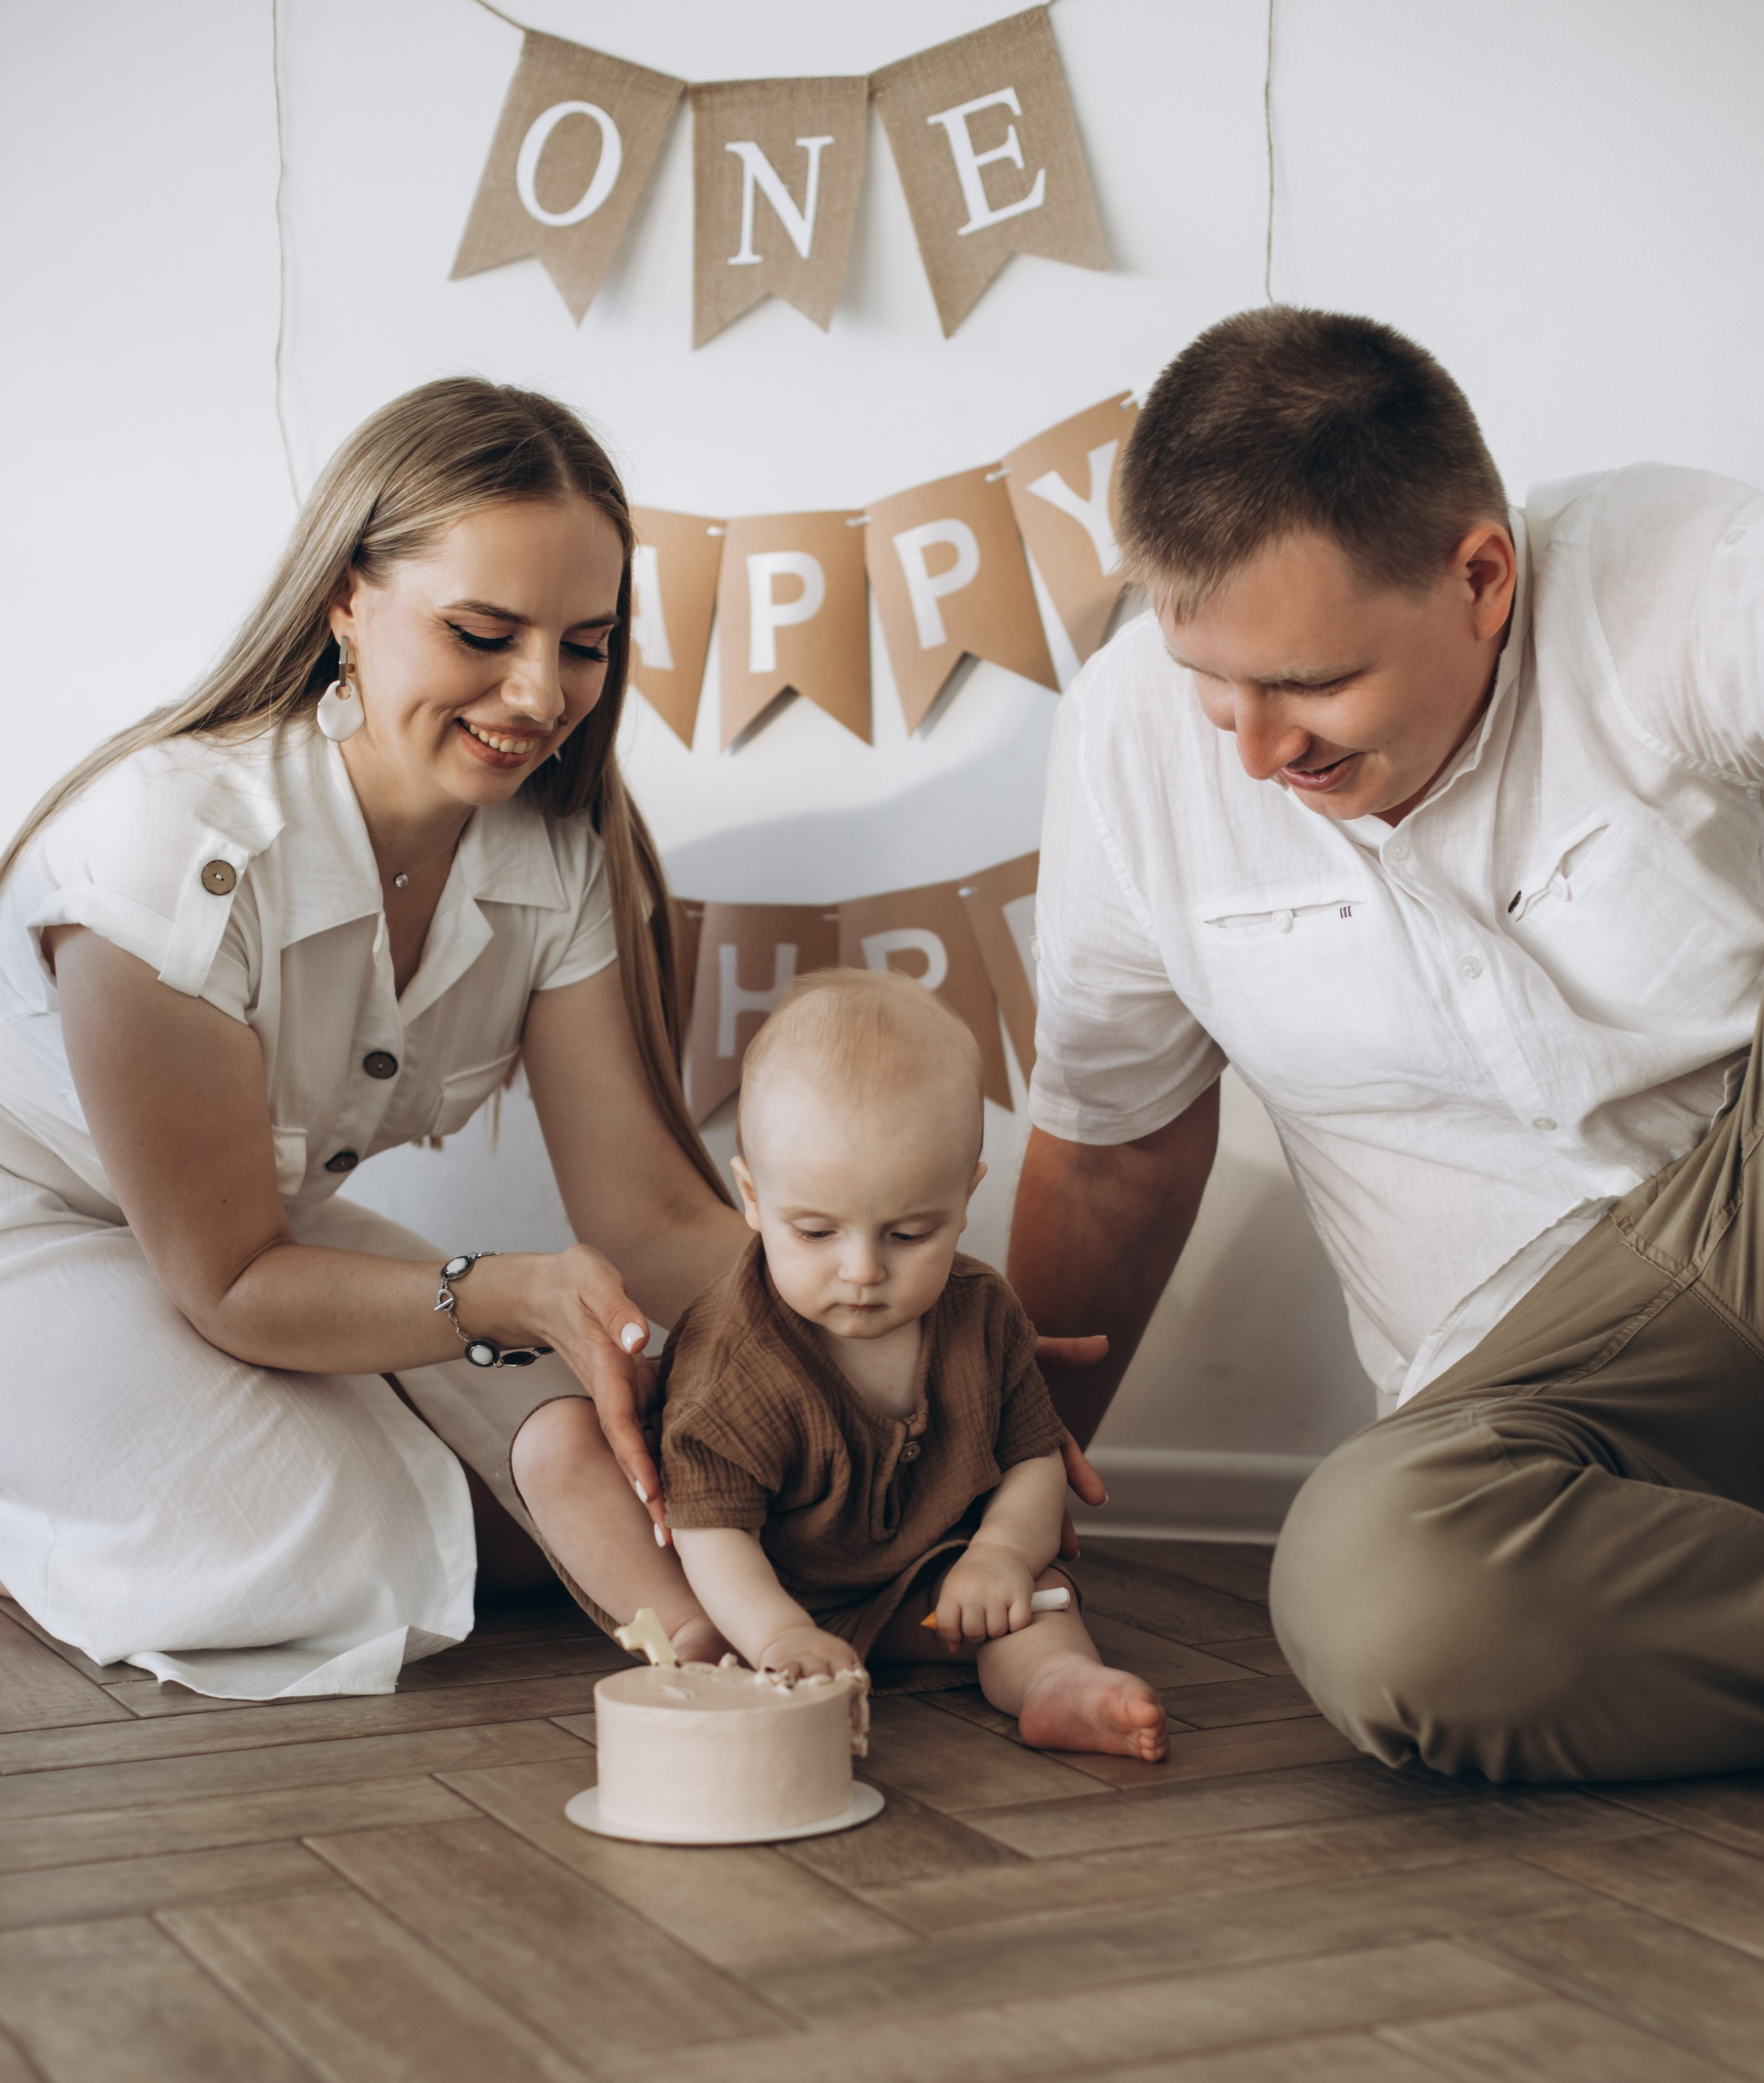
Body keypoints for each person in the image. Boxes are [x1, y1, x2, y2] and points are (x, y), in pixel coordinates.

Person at [0, 376, 1098, 1702]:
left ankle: (743, 1636)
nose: (538, 693)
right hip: (51, 1230)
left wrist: (916, 1326)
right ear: (347, 599)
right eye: (483, 632)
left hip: (262, 1234)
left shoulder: (552, 859)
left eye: (586, 644)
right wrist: (505, 1296)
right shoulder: (169, 843)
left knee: (591, 1447)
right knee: (325, 1529)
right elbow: (228, 1280)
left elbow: (646, 1217)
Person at [1009, 304, 1764, 1785]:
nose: (1254, 751)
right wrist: (1000, 1510)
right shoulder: (1124, 745)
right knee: (1378, 1590)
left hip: (1737, 1209)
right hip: (1529, 1399)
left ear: (1480, 577)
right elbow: (1111, 1163)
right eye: (1209, 680)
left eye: (1308, 684)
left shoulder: (1676, 579)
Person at [641, 969, 1165, 1761]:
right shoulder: (732, 1359)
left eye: (909, 1234)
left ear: (964, 1198)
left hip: (935, 1591)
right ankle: (765, 1670)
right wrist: (779, 1633)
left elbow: (1033, 1459)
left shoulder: (982, 1312)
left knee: (1038, 1602)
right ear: (751, 1195)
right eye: (816, 1232)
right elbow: (710, 1532)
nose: (862, 1270)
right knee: (711, 1632)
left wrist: (997, 1554)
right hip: (773, 1598)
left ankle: (1059, 1686)